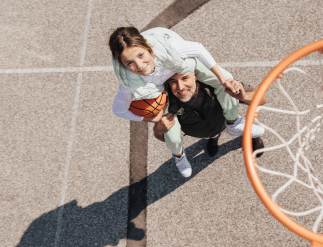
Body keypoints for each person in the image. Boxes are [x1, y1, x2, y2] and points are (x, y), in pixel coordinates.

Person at [109, 26, 264, 176]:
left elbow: (198, 49)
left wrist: (229, 85)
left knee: (227, 82)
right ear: (122, 64)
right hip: (204, 128)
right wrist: (152, 120)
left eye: (141, 55)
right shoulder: (132, 84)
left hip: (214, 111)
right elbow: (119, 110)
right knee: (171, 133)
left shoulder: (170, 50)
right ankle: (179, 156)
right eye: (129, 63)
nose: (139, 65)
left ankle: (233, 122)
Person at [153, 70, 266, 177]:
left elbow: (262, 99)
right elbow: (164, 138)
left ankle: (255, 137)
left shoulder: (216, 85)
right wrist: (158, 129)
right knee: (212, 135)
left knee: (248, 129)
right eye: (173, 81)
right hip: (205, 132)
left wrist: (244, 97)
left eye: (185, 78)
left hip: (225, 122)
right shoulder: (167, 102)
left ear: (195, 75)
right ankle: (214, 138)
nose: (180, 86)